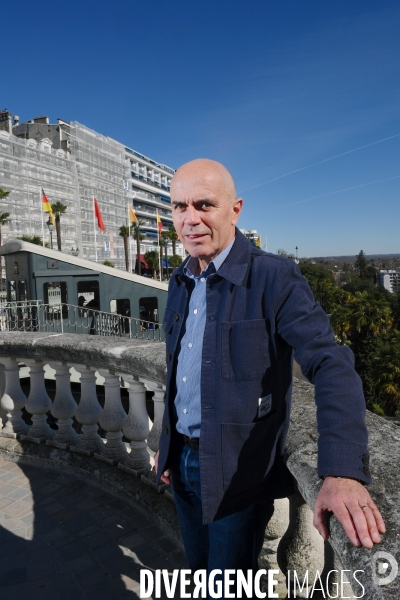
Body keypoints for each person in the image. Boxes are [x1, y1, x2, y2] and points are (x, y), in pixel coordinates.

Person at [155, 159, 385, 581]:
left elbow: (332, 364)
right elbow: (178, 372)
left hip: (235, 475)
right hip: (182, 464)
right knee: (198, 572)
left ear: (235, 209)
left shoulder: (273, 277)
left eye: (204, 205)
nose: (190, 219)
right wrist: (168, 444)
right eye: (179, 207)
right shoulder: (180, 279)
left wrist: (342, 469)